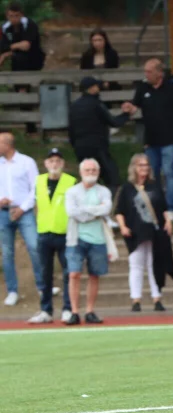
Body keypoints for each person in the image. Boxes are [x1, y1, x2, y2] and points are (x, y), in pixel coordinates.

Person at [122, 58, 173, 220]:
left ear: (159, 73)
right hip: (150, 139)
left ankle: (170, 207)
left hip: (169, 138)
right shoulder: (143, 88)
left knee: (169, 172)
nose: (146, 74)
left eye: (149, 71)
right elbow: (135, 107)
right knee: (151, 174)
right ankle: (153, 204)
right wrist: (128, 108)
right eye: (145, 71)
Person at [115, 154, 173, 312]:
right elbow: (119, 210)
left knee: (154, 264)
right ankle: (136, 299)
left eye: (146, 165)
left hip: (154, 231)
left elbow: (163, 207)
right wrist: (122, 226)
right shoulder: (127, 188)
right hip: (135, 231)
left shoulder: (154, 186)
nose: (144, 168)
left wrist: (168, 221)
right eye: (141, 165)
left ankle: (157, 298)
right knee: (136, 264)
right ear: (134, 167)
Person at [28, 149, 75, 324]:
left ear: (62, 164)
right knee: (45, 273)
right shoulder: (39, 181)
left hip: (64, 233)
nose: (54, 164)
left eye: (57, 161)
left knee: (68, 272)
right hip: (44, 232)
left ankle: (68, 308)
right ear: (46, 164)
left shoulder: (70, 182)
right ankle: (46, 309)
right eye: (51, 161)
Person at [64, 159, 113, 326]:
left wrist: (84, 210)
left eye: (94, 170)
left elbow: (106, 209)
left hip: (98, 238)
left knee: (94, 275)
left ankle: (90, 310)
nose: (91, 173)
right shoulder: (72, 192)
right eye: (87, 170)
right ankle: (75, 312)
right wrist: (94, 211)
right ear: (81, 172)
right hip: (75, 238)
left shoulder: (104, 191)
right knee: (74, 274)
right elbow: (72, 212)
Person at [68, 76, 130, 200]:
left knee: (88, 177)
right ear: (90, 89)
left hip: (80, 148)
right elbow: (113, 122)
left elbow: (71, 130)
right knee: (112, 176)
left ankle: (87, 201)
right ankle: (112, 204)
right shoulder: (96, 104)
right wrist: (126, 114)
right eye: (96, 86)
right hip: (98, 147)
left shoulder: (74, 106)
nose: (98, 88)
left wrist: (75, 146)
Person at [0, 132, 44, 306]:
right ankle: (12, 290)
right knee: (7, 252)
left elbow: (36, 188)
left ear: (7, 144)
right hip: (3, 212)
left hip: (24, 212)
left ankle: (43, 286)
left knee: (34, 246)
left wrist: (23, 208)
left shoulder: (27, 162)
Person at [0, 2, 45, 134]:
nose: (13, 19)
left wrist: (9, 50)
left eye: (16, 16)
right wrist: (9, 50)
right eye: (11, 16)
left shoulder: (30, 25)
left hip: (34, 60)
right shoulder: (6, 28)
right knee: (21, 94)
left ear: (21, 15)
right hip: (17, 63)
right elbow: (3, 47)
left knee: (25, 90)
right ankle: (30, 127)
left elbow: (27, 45)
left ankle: (32, 126)